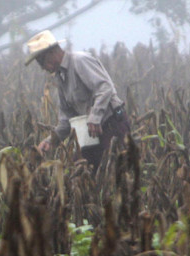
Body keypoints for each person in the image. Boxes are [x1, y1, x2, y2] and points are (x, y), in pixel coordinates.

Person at [25, 29, 130, 167]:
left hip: (112, 125)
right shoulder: (60, 77)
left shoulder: (80, 61)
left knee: (112, 173)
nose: (42, 68)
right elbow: (67, 119)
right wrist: (51, 141)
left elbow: (105, 87)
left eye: (41, 61)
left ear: (51, 53)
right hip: (91, 133)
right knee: (79, 170)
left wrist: (95, 116)